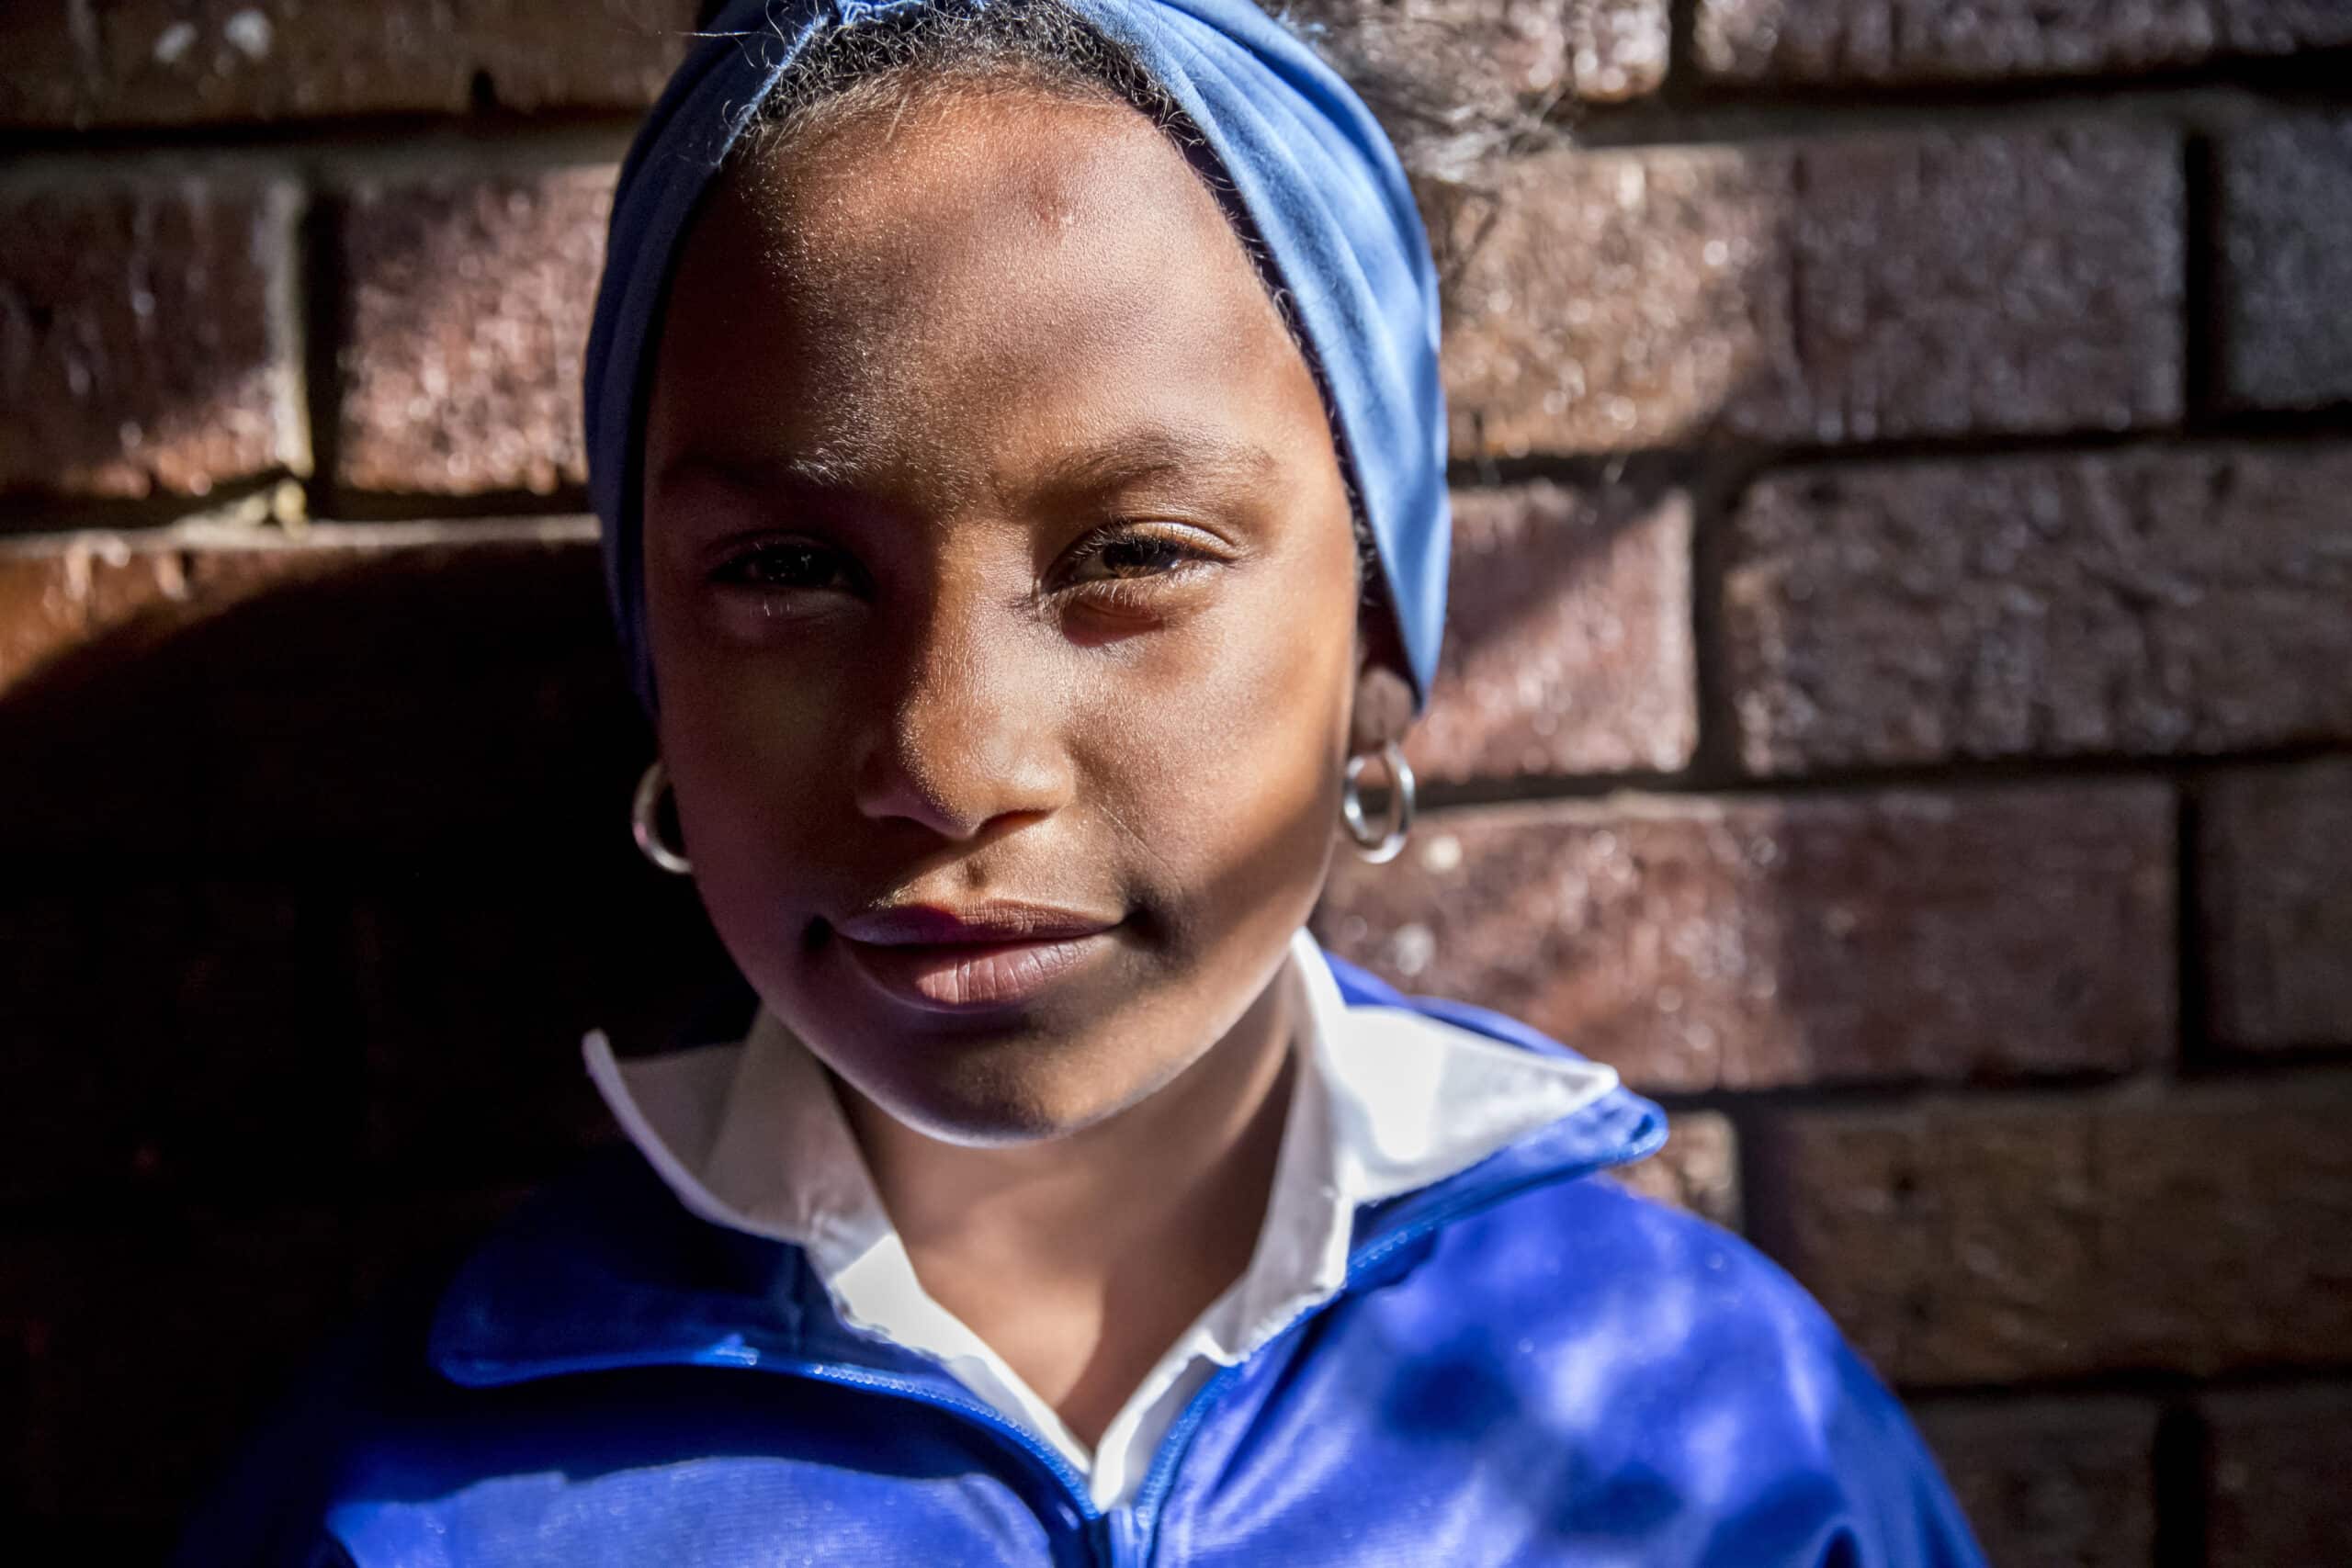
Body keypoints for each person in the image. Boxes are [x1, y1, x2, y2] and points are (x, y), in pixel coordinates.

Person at [175, 0, 1987, 1562]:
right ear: (652, 650)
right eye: (787, 571)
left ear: (1375, 641)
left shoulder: (1715, 1443)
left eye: (1133, 551)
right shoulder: (415, 1506)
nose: (947, 764)